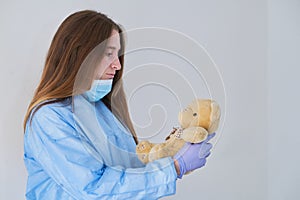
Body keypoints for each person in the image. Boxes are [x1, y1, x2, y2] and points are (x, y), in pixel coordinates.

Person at [23, 10, 214, 199]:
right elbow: (93, 188)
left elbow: (130, 174)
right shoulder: (49, 118)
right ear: (80, 54)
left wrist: (174, 150)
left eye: (118, 55)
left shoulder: (102, 109)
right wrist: (175, 167)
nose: (118, 65)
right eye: (108, 53)